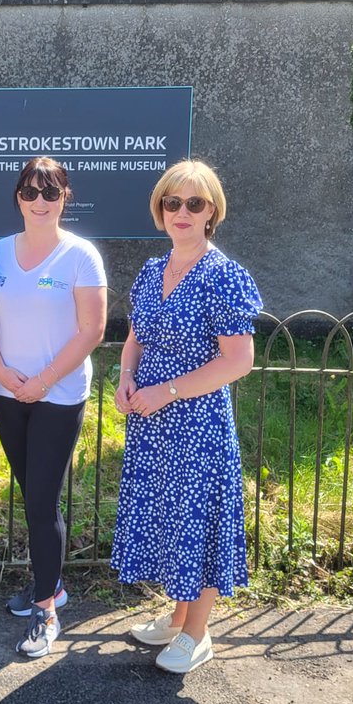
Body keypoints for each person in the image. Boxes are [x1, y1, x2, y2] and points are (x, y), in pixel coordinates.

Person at [112, 159, 262, 674]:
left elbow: (239, 360)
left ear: (211, 211)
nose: (181, 211)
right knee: (173, 521)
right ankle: (176, 619)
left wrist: (167, 391)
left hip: (196, 424)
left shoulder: (223, 275)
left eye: (193, 203)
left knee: (198, 523)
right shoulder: (153, 272)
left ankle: (198, 634)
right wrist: (126, 377)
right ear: (160, 209)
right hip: (152, 420)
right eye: (172, 202)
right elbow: (135, 339)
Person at [0, 157, 107, 657]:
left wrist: (42, 381)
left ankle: (46, 610)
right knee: (30, 493)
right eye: (31, 192)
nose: (40, 201)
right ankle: (50, 584)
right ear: (18, 197)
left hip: (57, 397)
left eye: (50, 193)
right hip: (7, 394)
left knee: (41, 501)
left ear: (65, 198)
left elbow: (92, 330)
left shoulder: (81, 256)